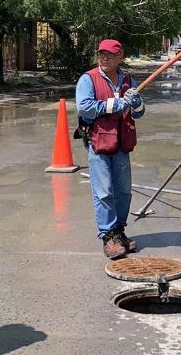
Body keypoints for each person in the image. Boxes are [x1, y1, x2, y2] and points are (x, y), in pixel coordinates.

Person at [75, 38, 146, 259]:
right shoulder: (89, 79)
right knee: (104, 192)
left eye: (110, 55)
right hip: (100, 143)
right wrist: (112, 104)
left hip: (122, 144)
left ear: (119, 57)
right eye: (102, 54)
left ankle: (119, 231)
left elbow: (139, 113)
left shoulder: (128, 79)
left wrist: (136, 104)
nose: (105, 58)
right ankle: (108, 237)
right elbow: (84, 108)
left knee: (123, 191)